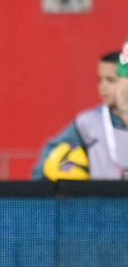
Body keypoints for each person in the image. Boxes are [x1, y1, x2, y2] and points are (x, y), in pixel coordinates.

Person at [33, 51, 128, 180]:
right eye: (100, 80)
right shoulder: (89, 122)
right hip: (102, 199)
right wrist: (36, 193)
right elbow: (52, 152)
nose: (103, 87)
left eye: (111, 81)